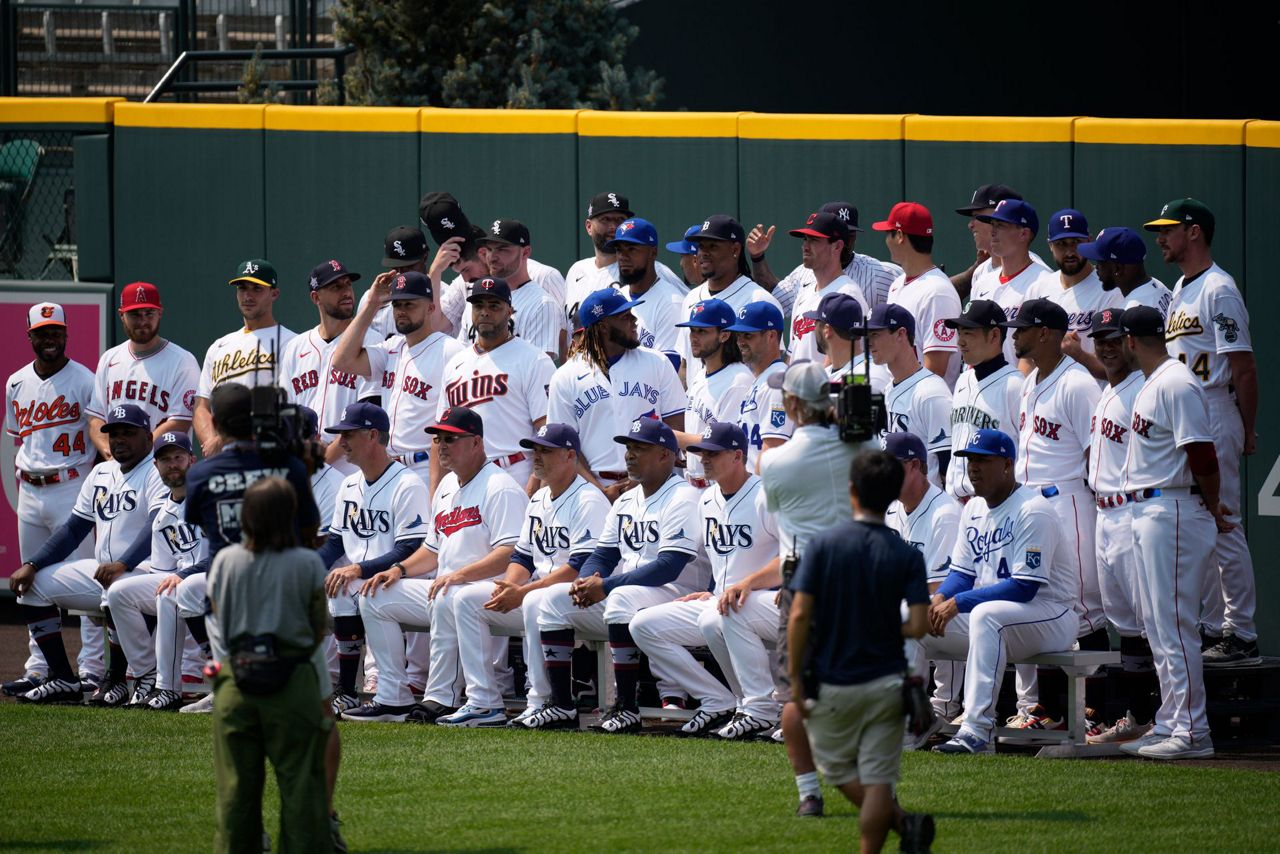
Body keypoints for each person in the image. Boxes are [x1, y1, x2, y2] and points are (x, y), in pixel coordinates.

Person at [787, 449, 933, 854]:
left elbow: (799, 616)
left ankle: (905, 827)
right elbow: (919, 626)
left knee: (836, 772)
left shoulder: (822, 545)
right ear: (893, 496)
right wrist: (885, 625)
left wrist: (797, 677)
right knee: (880, 780)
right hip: (889, 682)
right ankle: (902, 829)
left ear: (851, 491)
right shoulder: (908, 554)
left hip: (835, 681)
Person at [352, 406, 526, 725]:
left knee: (452, 592)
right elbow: (431, 551)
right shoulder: (446, 486)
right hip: (449, 588)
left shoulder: (499, 487)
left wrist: (460, 575)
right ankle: (392, 697)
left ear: (477, 443)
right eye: (439, 439)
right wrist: (399, 570)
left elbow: (511, 552)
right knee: (374, 594)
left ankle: (444, 698)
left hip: (493, 593)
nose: (442, 446)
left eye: (451, 439)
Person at [536, 418, 709, 734]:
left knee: (619, 596)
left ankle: (627, 706)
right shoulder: (628, 499)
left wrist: (605, 585)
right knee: (553, 599)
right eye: (628, 448)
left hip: (676, 593)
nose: (629, 455)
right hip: (630, 594)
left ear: (666, 455)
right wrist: (584, 580)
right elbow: (604, 554)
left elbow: (669, 566)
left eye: (640, 448)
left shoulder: (683, 496)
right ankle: (561, 705)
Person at [1144, 199, 1260, 667]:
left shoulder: (1219, 289)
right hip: (1188, 410)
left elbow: (1245, 368)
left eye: (1169, 229)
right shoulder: (1182, 286)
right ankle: (1216, 625)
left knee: (1224, 520)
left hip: (1214, 408)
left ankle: (1243, 630)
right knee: (1203, 522)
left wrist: (1246, 429)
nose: (1161, 238)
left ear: (1194, 233)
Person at [1116, 306, 1228, 760]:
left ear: (1129, 341)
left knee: (1176, 626)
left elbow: (1202, 455)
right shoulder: (1155, 382)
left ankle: (1193, 731)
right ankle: (1171, 721)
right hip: (1151, 508)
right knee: (1159, 627)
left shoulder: (1177, 383)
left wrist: (1215, 503)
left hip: (1175, 506)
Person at [924, 429, 1078, 756]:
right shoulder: (973, 508)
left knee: (985, 615)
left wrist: (958, 602)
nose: (973, 468)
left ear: (1007, 465)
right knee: (912, 617)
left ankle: (978, 730)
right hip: (1001, 618)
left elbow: (1023, 588)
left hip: (1052, 615)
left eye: (983, 460)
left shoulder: (1032, 509)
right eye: (969, 460)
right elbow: (962, 575)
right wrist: (939, 598)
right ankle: (911, 722)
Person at [8, 404, 166, 704]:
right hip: (107, 570)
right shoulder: (101, 472)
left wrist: (123, 563)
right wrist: (32, 563)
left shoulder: (155, 471)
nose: (119, 439)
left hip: (145, 571)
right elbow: (73, 530)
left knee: (115, 588)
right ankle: (63, 679)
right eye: (114, 433)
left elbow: (155, 526)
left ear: (148, 437)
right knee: (32, 587)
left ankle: (116, 679)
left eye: (128, 433)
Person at [208, 477, 333, 854]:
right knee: (301, 787)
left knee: (236, 790)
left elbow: (216, 615)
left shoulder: (226, 560)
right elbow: (318, 626)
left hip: (236, 682)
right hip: (292, 682)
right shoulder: (307, 562)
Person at [631, 423, 780, 737]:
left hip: (771, 600)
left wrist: (748, 584)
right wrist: (710, 591)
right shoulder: (707, 499)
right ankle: (722, 701)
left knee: (722, 615)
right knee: (644, 625)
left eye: (713, 453)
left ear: (738, 456)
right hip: (725, 601)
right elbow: (723, 561)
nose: (704, 459)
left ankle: (759, 708)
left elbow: (794, 557)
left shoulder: (767, 496)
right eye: (701, 452)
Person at [758, 360, 861, 817]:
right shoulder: (863, 445)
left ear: (794, 404)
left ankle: (808, 793)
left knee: (796, 693)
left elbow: (778, 506)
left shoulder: (776, 462)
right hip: (855, 578)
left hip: (804, 580)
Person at [458, 423, 610, 730]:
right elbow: (523, 557)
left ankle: (540, 700)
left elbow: (581, 567)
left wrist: (524, 592)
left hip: (584, 600)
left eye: (546, 451)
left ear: (570, 456)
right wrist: (510, 586)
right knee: (466, 599)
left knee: (536, 600)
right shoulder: (539, 499)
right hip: (543, 597)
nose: (537, 457)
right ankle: (483, 702)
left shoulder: (588, 499)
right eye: (535, 450)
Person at [1006, 297, 1106, 731]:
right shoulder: (1031, 382)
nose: (1015, 334)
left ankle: (1099, 709)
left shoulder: (1077, 383)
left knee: (1083, 605)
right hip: (1034, 505)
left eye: (1023, 328)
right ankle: (1047, 707)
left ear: (1044, 333)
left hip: (1069, 501)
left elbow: (1095, 452)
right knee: (1036, 600)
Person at [2, 302, 101, 696]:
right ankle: (40, 667)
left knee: (87, 583)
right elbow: (19, 437)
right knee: (30, 582)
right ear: (29, 336)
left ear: (66, 334)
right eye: (42, 333)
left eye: (56, 332)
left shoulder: (86, 380)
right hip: (30, 489)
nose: (49, 340)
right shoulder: (15, 382)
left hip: (73, 485)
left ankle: (92, 668)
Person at [314, 402, 429, 715]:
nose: (342, 443)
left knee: (348, 587)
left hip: (402, 579)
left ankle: (359, 690)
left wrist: (358, 569)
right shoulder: (349, 484)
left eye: (349, 435)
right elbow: (336, 541)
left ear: (373, 436)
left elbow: (410, 548)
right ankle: (346, 692)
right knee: (335, 586)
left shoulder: (407, 484)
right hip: (362, 578)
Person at [1084, 308, 1159, 744]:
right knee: (1125, 623)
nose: (1107, 348)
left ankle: (1166, 716)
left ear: (1130, 342)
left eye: (1114, 340)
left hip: (1132, 511)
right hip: (1104, 513)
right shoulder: (1106, 392)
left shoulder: (1139, 390)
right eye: (1101, 341)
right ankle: (1139, 715)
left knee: (1149, 621)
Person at [332, 270, 463, 496]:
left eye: (409, 304)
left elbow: (456, 424)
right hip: (388, 466)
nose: (401, 311)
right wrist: (373, 302)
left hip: (425, 465)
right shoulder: (392, 348)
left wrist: (437, 487)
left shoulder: (450, 351)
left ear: (431, 308)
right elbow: (342, 361)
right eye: (397, 305)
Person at [105, 430, 207, 711]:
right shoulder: (162, 516)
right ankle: (146, 674)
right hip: (185, 582)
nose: (172, 464)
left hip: (220, 578)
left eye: (178, 457)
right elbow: (161, 571)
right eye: (165, 459)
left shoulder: (210, 499)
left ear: (192, 460)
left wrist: (182, 576)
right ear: (156, 465)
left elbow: (226, 554)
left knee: (170, 592)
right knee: (118, 593)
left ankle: (168, 688)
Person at [547, 288, 685, 497]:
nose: (634, 320)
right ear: (602, 327)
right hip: (592, 489)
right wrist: (599, 492)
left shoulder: (657, 363)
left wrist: (647, 477)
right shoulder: (566, 376)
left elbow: (676, 426)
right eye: (624, 317)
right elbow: (565, 447)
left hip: (654, 484)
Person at [438, 276, 555, 491]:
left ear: (509, 312)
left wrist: (533, 487)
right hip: (463, 480)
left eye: (494, 305)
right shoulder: (455, 365)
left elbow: (547, 432)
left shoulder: (534, 360)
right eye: (478, 305)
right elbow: (441, 435)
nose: (485, 312)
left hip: (514, 471)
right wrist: (437, 494)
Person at [883, 431, 960, 744]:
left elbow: (941, 588)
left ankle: (937, 710)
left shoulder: (945, 512)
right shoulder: (890, 510)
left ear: (915, 466)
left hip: (956, 616)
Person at [279, 259, 381, 474]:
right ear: (316, 297)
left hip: (352, 469)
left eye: (348, 284)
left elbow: (367, 414)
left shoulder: (372, 341)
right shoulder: (295, 347)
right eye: (336, 287)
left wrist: (321, 459)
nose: (346, 292)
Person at [193, 259, 296, 458]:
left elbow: (281, 400)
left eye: (257, 289)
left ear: (274, 293)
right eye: (242, 288)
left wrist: (225, 439)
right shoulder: (219, 346)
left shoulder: (291, 342)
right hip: (223, 457)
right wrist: (212, 444)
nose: (247, 296)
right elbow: (202, 405)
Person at [87, 282, 200, 456]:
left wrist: (136, 454)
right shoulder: (109, 359)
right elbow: (96, 418)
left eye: (149, 313)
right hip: (119, 465)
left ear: (160, 312)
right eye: (134, 314)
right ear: (121, 315)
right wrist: (110, 454)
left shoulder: (182, 361)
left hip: (162, 464)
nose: (143, 321)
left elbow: (180, 422)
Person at [748, 201, 901, 317]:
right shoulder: (803, 274)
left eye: (849, 234)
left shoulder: (879, 273)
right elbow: (775, 299)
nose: (845, 241)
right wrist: (757, 257)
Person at [678, 215, 782, 386]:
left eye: (712, 246)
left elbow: (775, 366)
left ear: (735, 250)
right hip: (698, 406)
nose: (703, 252)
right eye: (701, 246)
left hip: (740, 406)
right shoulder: (690, 299)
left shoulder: (759, 300)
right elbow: (685, 364)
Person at [941, 300, 1023, 502]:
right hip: (956, 501)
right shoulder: (962, 380)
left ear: (994, 335)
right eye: (960, 333)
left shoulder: (1016, 386)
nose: (960, 341)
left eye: (968, 333)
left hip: (997, 502)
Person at [873, 202, 962, 387]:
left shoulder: (938, 292)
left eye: (887, 234)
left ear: (899, 236)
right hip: (899, 398)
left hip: (925, 406)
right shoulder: (897, 284)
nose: (885, 241)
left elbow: (936, 369)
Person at [1025, 209, 1119, 380]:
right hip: (1045, 398)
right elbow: (1027, 360)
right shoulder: (1037, 289)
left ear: (1089, 241)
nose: (1069, 252)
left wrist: (1079, 354)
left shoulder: (1109, 290)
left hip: (1092, 397)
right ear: (1050, 245)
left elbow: (1120, 367)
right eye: (1061, 244)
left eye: (1076, 242)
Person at [866, 303, 952, 487]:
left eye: (875, 334)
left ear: (901, 334)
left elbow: (948, 466)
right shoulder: (889, 390)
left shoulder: (931, 392)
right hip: (897, 507)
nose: (869, 342)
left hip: (929, 505)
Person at [456, 220, 562, 360]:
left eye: (502, 249)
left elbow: (538, 368)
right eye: (489, 249)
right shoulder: (475, 301)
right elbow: (461, 359)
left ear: (525, 252)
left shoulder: (542, 304)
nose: (492, 257)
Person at [675, 299, 752, 488]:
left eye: (702, 331)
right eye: (692, 330)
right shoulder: (700, 375)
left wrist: (671, 437)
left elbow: (726, 445)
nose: (694, 337)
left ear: (725, 335)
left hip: (720, 486)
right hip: (693, 484)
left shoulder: (738, 381)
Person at [783, 211, 868, 365]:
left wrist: (819, 386)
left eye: (814, 240)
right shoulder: (804, 294)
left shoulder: (847, 295)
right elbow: (792, 353)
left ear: (837, 246)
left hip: (828, 387)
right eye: (805, 239)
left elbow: (854, 357)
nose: (805, 246)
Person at [972, 200, 1049, 368]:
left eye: (1000, 225)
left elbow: (1035, 353)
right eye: (992, 224)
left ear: (1024, 234)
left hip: (1017, 386)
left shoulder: (1043, 282)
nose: (992, 232)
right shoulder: (982, 282)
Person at [602, 218, 688, 366]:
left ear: (653, 252)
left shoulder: (671, 302)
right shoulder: (618, 297)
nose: (623, 256)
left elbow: (669, 369)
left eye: (631, 249)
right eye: (619, 250)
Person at [726, 302, 793, 471]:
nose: (740, 341)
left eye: (748, 335)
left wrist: (755, 494)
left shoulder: (777, 382)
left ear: (771, 336)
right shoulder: (762, 379)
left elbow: (773, 450)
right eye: (738, 335)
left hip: (765, 487)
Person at [950, 184, 1042, 302]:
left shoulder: (1039, 276)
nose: (970, 225)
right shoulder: (981, 271)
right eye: (992, 223)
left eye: (977, 216)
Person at [1077, 227, 1172, 318]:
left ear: (1118, 269)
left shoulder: (1131, 314)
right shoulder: (1158, 286)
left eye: (1100, 262)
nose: (1096, 267)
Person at [358, 225, 431, 340]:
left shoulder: (443, 294)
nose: (401, 273)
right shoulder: (371, 298)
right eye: (396, 267)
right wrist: (372, 303)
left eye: (408, 266)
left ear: (425, 257)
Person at [807, 292, 879, 390]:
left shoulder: (869, 375)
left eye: (816, 323)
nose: (814, 328)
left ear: (827, 330)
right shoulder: (826, 374)